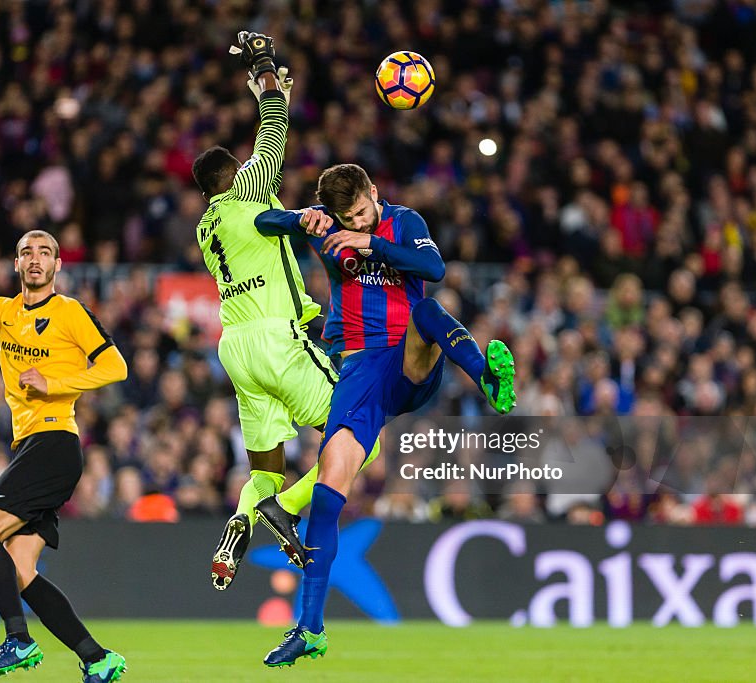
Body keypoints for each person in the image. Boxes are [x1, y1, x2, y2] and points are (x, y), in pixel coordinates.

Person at [253, 164, 516, 666]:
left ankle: (486, 378)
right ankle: (309, 628)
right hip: (359, 372)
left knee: (429, 310)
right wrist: (299, 219)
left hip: (410, 359)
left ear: (375, 193)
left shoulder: (405, 223)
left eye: (362, 211)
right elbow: (265, 223)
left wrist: (367, 242)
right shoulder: (327, 225)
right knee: (328, 494)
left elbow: (434, 270)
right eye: (347, 216)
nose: (359, 221)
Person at [192, 32, 380, 591]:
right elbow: (273, 124)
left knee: (264, 471)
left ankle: (242, 520)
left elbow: (265, 228)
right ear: (236, 172)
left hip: (238, 348)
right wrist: (266, 70)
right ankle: (286, 512)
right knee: (358, 433)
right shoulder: (248, 193)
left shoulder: (208, 225)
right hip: (276, 341)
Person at [0, 228, 129, 682]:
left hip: (55, 442)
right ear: (16, 265)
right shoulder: (5, 312)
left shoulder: (70, 312)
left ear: (58, 265)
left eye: (44, 252)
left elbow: (117, 365)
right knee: (20, 570)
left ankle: (18, 640)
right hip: (30, 448)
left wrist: (55, 384)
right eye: (25, 253)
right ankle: (98, 659)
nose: (35, 259)